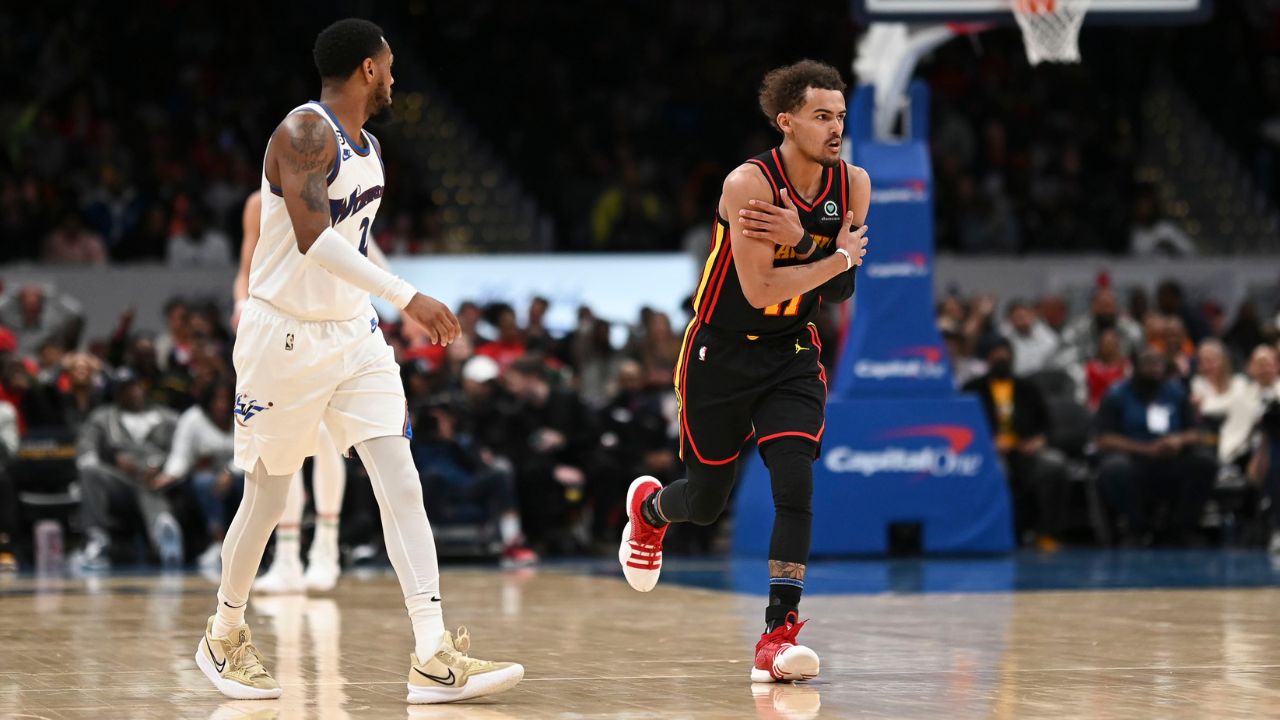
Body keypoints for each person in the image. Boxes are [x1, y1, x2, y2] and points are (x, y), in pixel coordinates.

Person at [195, 19, 522, 704]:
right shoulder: (304, 132)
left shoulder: (370, 147)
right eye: (391, 66)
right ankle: (223, 633)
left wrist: (387, 300)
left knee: (399, 479)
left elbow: (353, 249)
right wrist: (409, 296)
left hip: (353, 335)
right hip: (281, 335)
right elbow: (315, 240)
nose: (396, 77)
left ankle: (432, 653)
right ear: (369, 68)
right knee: (269, 494)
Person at [616, 60, 869, 683]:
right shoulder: (748, 184)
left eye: (840, 115)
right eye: (821, 116)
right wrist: (828, 252)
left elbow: (842, 289)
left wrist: (809, 242)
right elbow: (758, 290)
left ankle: (777, 635)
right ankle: (650, 512)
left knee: (795, 478)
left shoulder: (854, 183)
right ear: (786, 122)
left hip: (791, 353)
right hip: (719, 351)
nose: (835, 127)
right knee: (703, 503)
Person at [234, 190, 349, 595]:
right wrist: (240, 303)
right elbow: (248, 261)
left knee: (325, 439)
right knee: (279, 445)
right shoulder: (256, 203)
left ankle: (326, 550)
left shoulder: (337, 191)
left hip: (327, 323)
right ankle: (285, 558)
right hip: (276, 326)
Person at [1095, 349, 1216, 546]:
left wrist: (1178, 440)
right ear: (1135, 366)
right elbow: (1104, 439)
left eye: (1158, 363)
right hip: (1135, 459)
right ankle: (1138, 528)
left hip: (1171, 459)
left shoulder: (1176, 393)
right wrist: (1147, 449)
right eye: (1148, 363)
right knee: (1114, 468)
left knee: (1204, 462)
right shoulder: (1116, 394)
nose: (1153, 369)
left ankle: (1180, 529)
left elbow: (1196, 432)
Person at [963, 338, 1070, 550]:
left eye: (1005, 353)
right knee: (999, 471)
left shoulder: (1027, 388)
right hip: (990, 451)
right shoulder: (973, 388)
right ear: (987, 357)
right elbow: (963, 426)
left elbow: (1046, 425)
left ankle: (1047, 532)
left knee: (1055, 465)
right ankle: (998, 533)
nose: (1001, 357)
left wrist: (1039, 441)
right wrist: (986, 445)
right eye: (996, 353)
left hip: (1025, 448)